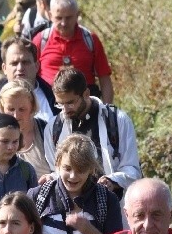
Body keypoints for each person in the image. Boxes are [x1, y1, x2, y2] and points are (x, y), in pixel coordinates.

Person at [42, 67, 141, 222]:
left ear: (86, 94)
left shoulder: (117, 120)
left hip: (114, 209)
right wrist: (50, 177)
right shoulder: (53, 127)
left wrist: (112, 181)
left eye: (70, 103)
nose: (65, 110)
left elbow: (133, 170)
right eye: (60, 104)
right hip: (71, 212)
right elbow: (56, 169)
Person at [33, 0, 113, 103]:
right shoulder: (40, 40)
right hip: (50, 104)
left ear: (77, 15)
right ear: (50, 16)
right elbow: (31, 77)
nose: (64, 23)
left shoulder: (90, 39)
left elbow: (104, 78)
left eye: (68, 17)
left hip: (85, 103)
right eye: (59, 18)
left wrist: (107, 111)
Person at [0, 80, 51, 179]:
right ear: (2, 107)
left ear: (32, 107)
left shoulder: (47, 131)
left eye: (22, 109)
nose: (16, 115)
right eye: (11, 109)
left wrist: (52, 176)